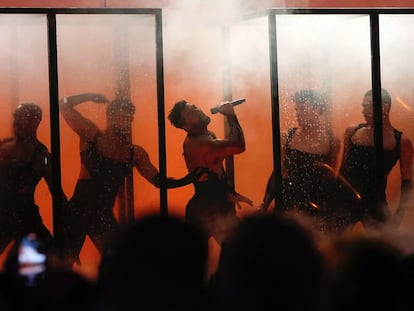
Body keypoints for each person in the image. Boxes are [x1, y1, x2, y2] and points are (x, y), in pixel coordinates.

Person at [60, 93, 202, 267]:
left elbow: (158, 181)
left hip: (102, 216)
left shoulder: (134, 153)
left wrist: (189, 178)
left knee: (120, 264)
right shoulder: (91, 134)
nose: (127, 121)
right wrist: (90, 96)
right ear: (111, 115)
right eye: (123, 116)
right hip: (78, 212)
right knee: (61, 264)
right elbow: (63, 105)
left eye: (130, 118)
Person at [168, 99, 252, 246]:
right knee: (240, 251)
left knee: (235, 253)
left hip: (212, 205)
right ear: (185, 126)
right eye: (191, 112)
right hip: (208, 209)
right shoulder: (201, 144)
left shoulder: (207, 136)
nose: (198, 110)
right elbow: (238, 145)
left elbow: (214, 168)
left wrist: (228, 191)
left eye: (195, 106)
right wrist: (230, 115)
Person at [260, 89, 340, 235]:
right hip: (289, 203)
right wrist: (264, 205)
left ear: (316, 108)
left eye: (302, 108)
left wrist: (330, 213)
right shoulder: (286, 137)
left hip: (315, 205)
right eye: (296, 109)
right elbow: (278, 173)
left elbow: (331, 178)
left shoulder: (331, 140)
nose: (297, 113)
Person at [339, 88, 413, 229]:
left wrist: (398, 217)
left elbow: (407, 183)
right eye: (363, 106)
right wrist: (332, 201)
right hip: (346, 201)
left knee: (382, 246)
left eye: (367, 106)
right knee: (335, 246)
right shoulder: (352, 131)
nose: (363, 111)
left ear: (384, 108)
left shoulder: (401, 141)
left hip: (375, 203)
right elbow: (342, 170)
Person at [0, 103, 62, 255]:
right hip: (4, 213)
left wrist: (66, 228)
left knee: (52, 253)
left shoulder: (42, 157)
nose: (17, 122)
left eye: (23, 118)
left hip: (25, 216)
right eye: (16, 117)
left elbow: (58, 195)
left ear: (36, 122)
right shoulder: (2, 148)